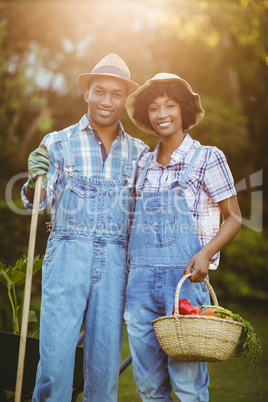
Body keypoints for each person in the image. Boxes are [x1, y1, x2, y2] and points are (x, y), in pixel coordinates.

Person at [21, 53, 149, 402]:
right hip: (67, 257)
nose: (107, 101)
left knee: (104, 369)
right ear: (86, 94)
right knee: (54, 365)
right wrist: (36, 178)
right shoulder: (57, 142)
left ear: (125, 99)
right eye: (99, 91)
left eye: (116, 94)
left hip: (115, 263)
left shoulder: (140, 153)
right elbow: (37, 203)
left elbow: (144, 217)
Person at [123, 73, 242, 401]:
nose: (162, 113)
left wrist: (206, 253)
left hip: (185, 283)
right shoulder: (142, 164)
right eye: (154, 107)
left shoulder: (207, 158)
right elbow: (130, 221)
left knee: (188, 386)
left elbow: (234, 218)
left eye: (170, 105)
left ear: (184, 109)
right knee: (148, 387)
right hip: (140, 287)